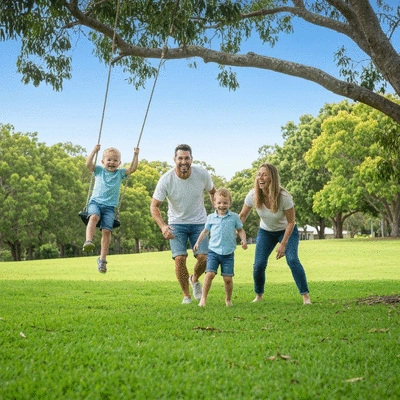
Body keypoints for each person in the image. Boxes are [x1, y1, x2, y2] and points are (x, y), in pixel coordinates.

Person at [150, 144, 216, 304]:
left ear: (191, 159)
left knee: (204, 258)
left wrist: (217, 214)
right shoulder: (166, 179)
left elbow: (213, 192)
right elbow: (154, 206)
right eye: (180, 158)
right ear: (175, 160)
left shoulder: (202, 174)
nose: (184, 161)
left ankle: (194, 278)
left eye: (187, 158)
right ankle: (186, 296)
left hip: (200, 222)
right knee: (180, 259)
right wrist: (163, 226)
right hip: (176, 224)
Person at [239, 163, 311, 305]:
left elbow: (291, 222)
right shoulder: (253, 195)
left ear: (272, 178)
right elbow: (242, 216)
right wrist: (235, 229)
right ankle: (259, 295)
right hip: (266, 232)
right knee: (258, 265)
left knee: (292, 260)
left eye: (264, 174)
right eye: (259, 174)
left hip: (287, 231)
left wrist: (283, 244)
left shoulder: (284, 197)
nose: (260, 177)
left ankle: (305, 296)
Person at [82, 144, 140, 273]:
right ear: (103, 161)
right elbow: (87, 164)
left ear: (119, 163)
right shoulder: (99, 170)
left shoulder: (120, 173)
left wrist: (136, 155)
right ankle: (88, 241)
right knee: (94, 217)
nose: (111, 163)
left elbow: (133, 168)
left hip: (109, 208)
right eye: (109, 160)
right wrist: (94, 151)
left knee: (107, 231)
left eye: (115, 160)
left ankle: (102, 260)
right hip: (95, 203)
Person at [193, 188, 247, 307]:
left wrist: (243, 239)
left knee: (227, 279)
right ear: (214, 203)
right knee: (209, 274)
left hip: (228, 253)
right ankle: (203, 299)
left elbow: (240, 230)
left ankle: (228, 299)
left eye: (225, 203)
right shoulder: (211, 217)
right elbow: (205, 231)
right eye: (219, 203)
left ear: (229, 203)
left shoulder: (234, 217)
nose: (222, 205)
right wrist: (197, 243)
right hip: (213, 252)